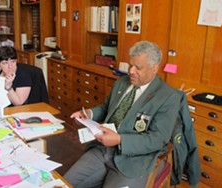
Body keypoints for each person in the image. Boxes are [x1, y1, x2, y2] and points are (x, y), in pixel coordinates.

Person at [64, 41, 181, 188]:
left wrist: (120, 140)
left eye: (138, 67)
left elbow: (157, 139)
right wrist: (88, 114)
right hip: (103, 151)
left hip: (134, 162)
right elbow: (107, 108)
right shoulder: (121, 83)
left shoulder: (168, 97)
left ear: (154, 68)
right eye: (130, 65)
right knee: (63, 184)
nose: (131, 71)